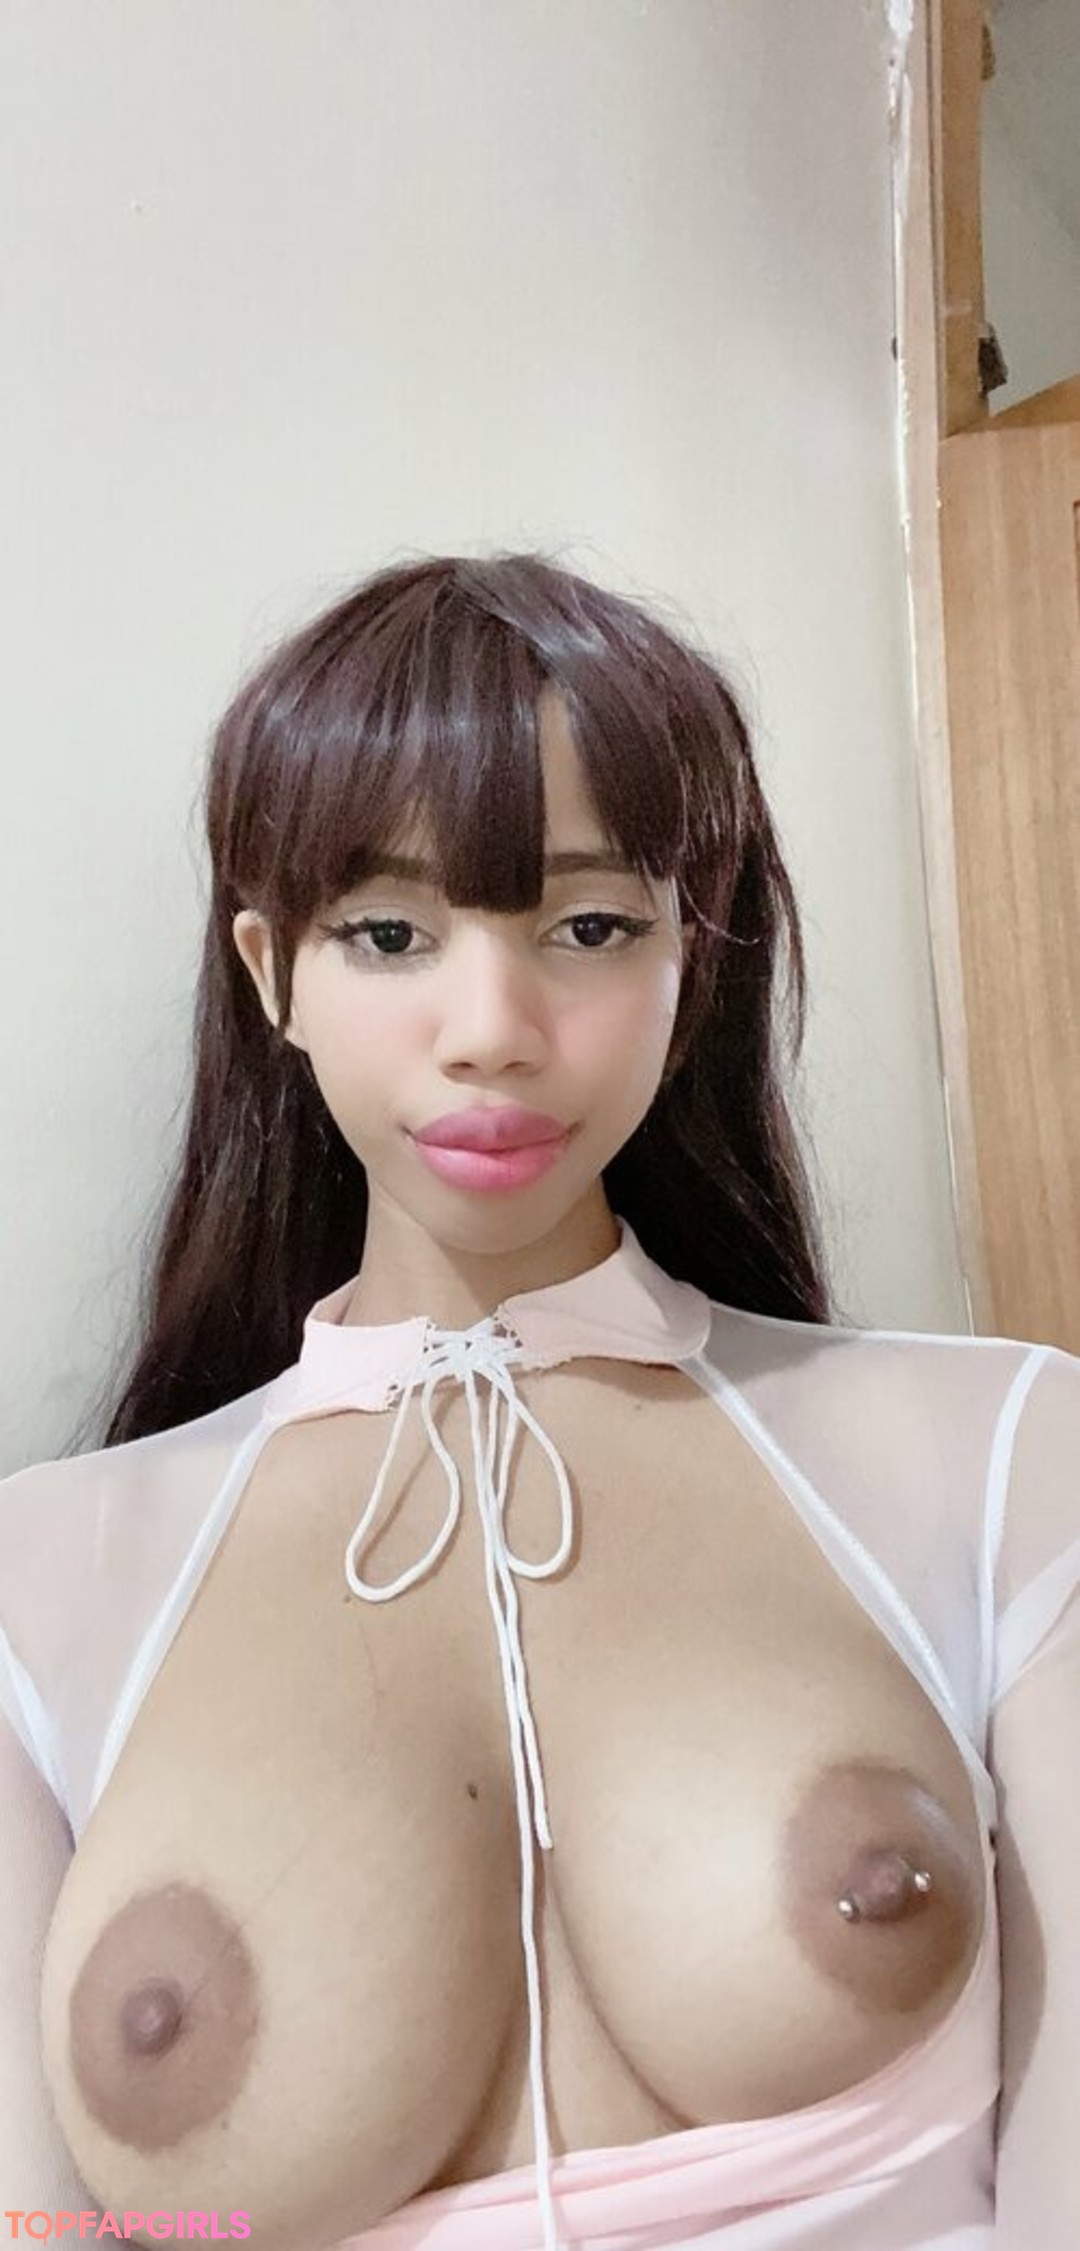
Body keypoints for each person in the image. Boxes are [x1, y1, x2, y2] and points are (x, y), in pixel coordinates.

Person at [1, 553, 1077, 2251]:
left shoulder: (1008, 1457)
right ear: (272, 972)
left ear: (689, 955)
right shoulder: (35, 1587)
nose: (492, 1030)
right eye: (389, 934)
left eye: (588, 927)